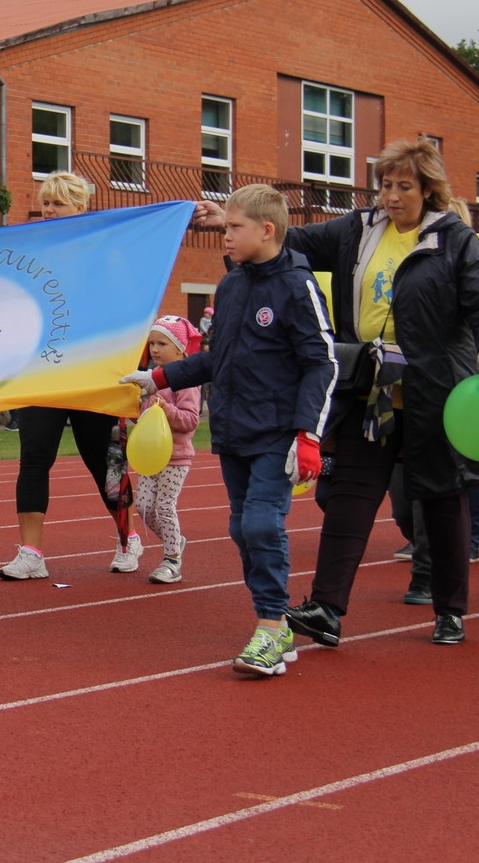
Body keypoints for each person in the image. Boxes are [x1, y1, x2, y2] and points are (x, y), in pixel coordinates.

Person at [241, 138, 479, 648]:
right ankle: (326, 607)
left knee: (440, 500)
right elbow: (290, 239)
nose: (391, 196)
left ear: (429, 190)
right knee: (350, 499)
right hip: (371, 393)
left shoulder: (454, 240)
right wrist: (246, 226)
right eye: (385, 185)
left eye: (403, 186)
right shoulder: (358, 230)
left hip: (434, 394)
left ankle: (449, 610)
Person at [123, 184, 335, 676]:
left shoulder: (297, 285)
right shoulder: (233, 285)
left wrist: (308, 435)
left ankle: (270, 626)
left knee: (261, 523)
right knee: (242, 527)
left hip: (278, 432)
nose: (225, 235)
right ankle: (276, 623)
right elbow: (217, 359)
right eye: (225, 226)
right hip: (236, 429)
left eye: (234, 227)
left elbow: (321, 364)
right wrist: (156, 376)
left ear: (267, 230)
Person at [0, 171, 126, 581]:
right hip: (42, 372)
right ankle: (31, 552)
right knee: (34, 459)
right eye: (46, 203)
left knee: (100, 462)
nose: (49, 210)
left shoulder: (104, 252)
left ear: (80, 207)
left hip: (88, 372)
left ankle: (128, 539)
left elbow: (119, 306)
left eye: (58, 203)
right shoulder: (33, 253)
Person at [122, 315, 202, 583]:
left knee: (165, 507)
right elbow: (145, 420)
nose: (154, 349)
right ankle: (175, 540)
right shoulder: (149, 380)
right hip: (149, 458)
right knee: (144, 509)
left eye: (162, 344)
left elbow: (191, 421)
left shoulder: (186, 381)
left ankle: (172, 561)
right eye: (152, 343)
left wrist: (163, 407)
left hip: (176, 458)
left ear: (179, 349)